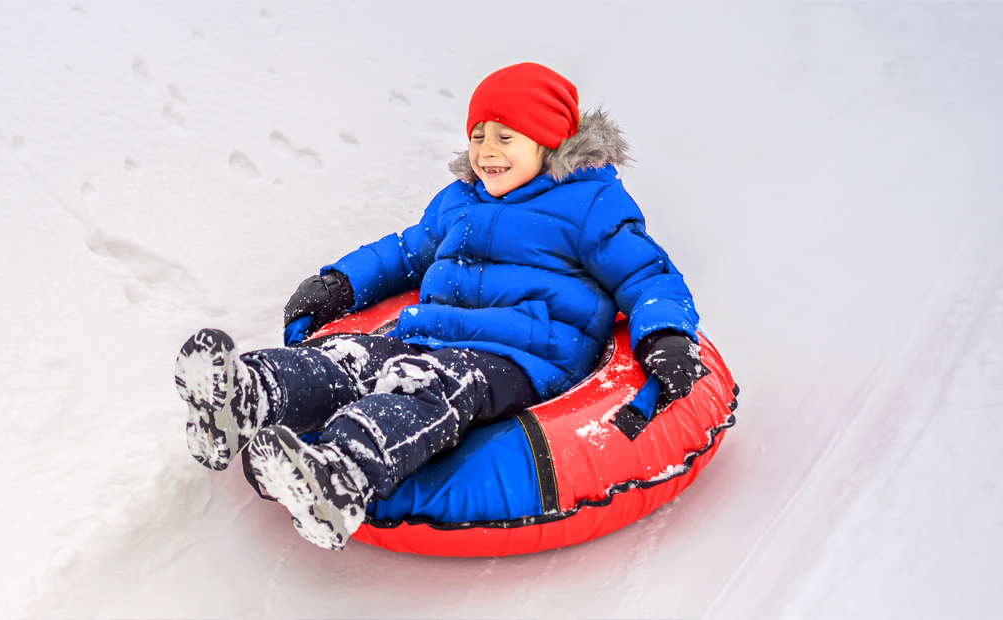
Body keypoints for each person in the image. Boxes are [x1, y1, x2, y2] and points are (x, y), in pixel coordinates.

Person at [174, 62, 705, 551]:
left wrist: (665, 335)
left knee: (424, 385)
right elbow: (407, 251)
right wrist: (340, 282)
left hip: (521, 353)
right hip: (435, 331)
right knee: (352, 357)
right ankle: (245, 397)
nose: (486, 150)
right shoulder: (461, 198)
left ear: (550, 142)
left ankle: (341, 475)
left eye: (505, 136)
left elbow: (646, 274)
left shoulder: (589, 203)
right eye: (477, 136)